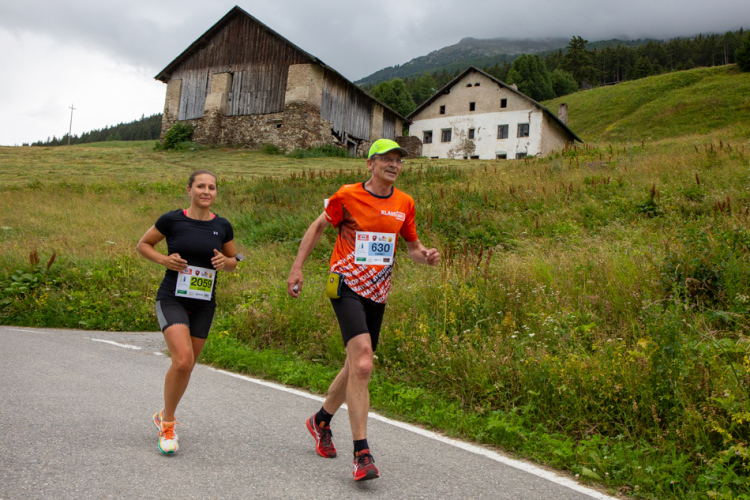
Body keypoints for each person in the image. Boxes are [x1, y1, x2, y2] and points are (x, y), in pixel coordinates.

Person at [286, 139, 440, 481]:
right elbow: (318, 226)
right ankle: (362, 454)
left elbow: (413, 248)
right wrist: (297, 269)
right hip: (344, 284)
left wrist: (426, 256)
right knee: (364, 362)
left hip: (378, 291)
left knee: (356, 365)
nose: (394, 165)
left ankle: (320, 421)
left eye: (399, 160)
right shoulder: (347, 195)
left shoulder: (405, 202)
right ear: (370, 164)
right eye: (386, 159)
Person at [136, 169, 241, 454]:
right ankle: (168, 424)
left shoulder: (222, 225)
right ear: (189, 190)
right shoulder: (172, 220)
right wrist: (164, 260)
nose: (206, 191)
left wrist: (225, 262)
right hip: (172, 297)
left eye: (212, 187)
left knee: (188, 365)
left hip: (204, 302)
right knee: (182, 361)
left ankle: (163, 414)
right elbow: (143, 245)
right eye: (200, 186)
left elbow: (233, 260)